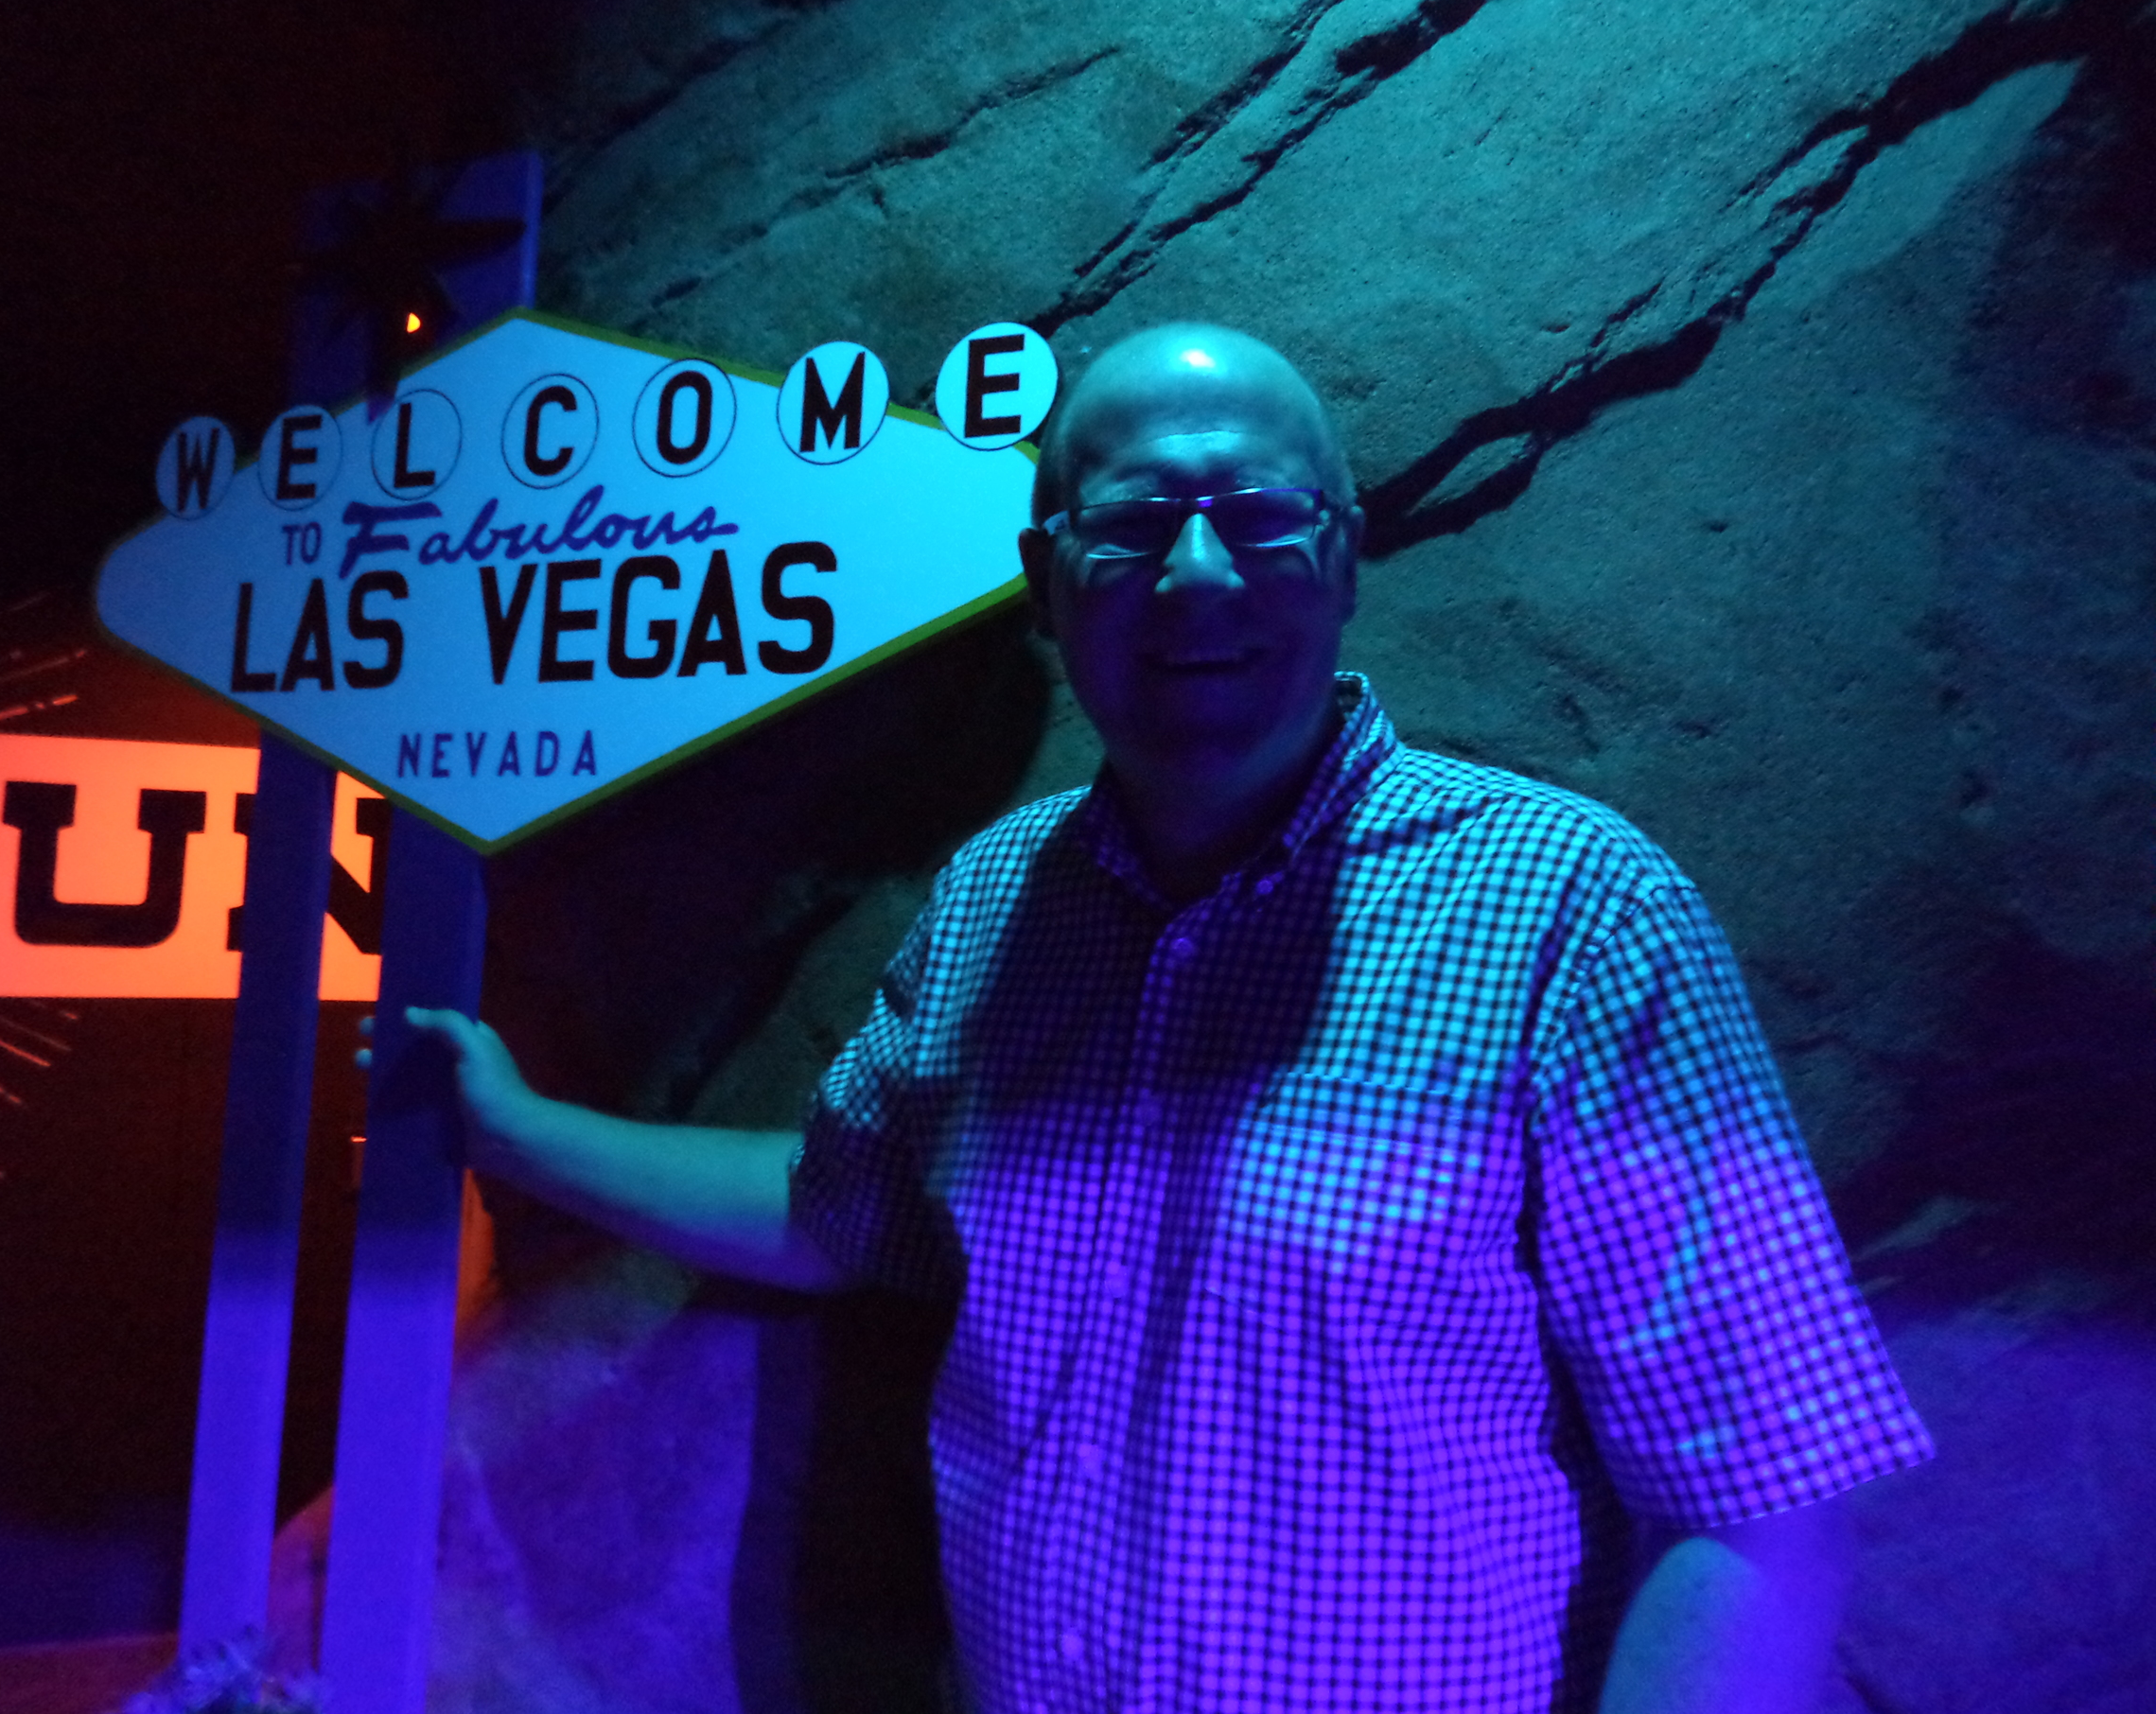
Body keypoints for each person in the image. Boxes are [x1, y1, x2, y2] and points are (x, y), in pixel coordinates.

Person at [390, 325, 1932, 1713]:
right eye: (1131, 527)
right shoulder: (996, 902)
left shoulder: (1573, 911)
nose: (1197, 573)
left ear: (1339, 556)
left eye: (1257, 514)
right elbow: (833, 1206)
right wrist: (513, 1131)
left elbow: (1764, 1497)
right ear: (1053, 585)